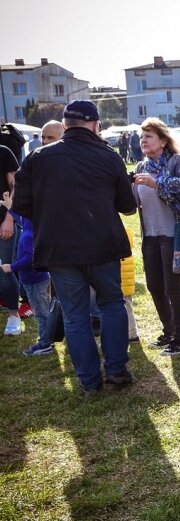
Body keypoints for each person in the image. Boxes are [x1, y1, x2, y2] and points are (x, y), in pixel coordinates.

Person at [13, 100, 137, 395]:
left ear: (66, 125)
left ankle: (90, 381)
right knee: (110, 305)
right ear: (94, 125)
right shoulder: (108, 156)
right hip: (101, 245)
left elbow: (22, 205)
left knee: (75, 314)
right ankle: (116, 371)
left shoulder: (38, 157)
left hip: (59, 249)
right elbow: (128, 206)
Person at [133, 117, 180, 356]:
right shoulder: (141, 167)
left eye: (149, 136)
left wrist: (158, 182)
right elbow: (134, 204)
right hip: (149, 235)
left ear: (162, 140)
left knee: (173, 288)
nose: (143, 141)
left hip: (172, 235)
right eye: (142, 137)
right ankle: (168, 331)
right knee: (153, 286)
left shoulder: (175, 161)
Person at [0, 193, 51, 355]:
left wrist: (12, 267)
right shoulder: (30, 226)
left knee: (41, 313)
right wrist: (10, 208)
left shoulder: (29, 236)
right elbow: (21, 219)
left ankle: (45, 343)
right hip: (36, 280)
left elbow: (30, 259)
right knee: (44, 310)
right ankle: (50, 336)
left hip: (34, 281)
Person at [0, 144, 21, 336]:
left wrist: (9, 217)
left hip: (3, 221)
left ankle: (14, 316)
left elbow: (15, 185)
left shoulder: (3, 152)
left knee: (4, 269)